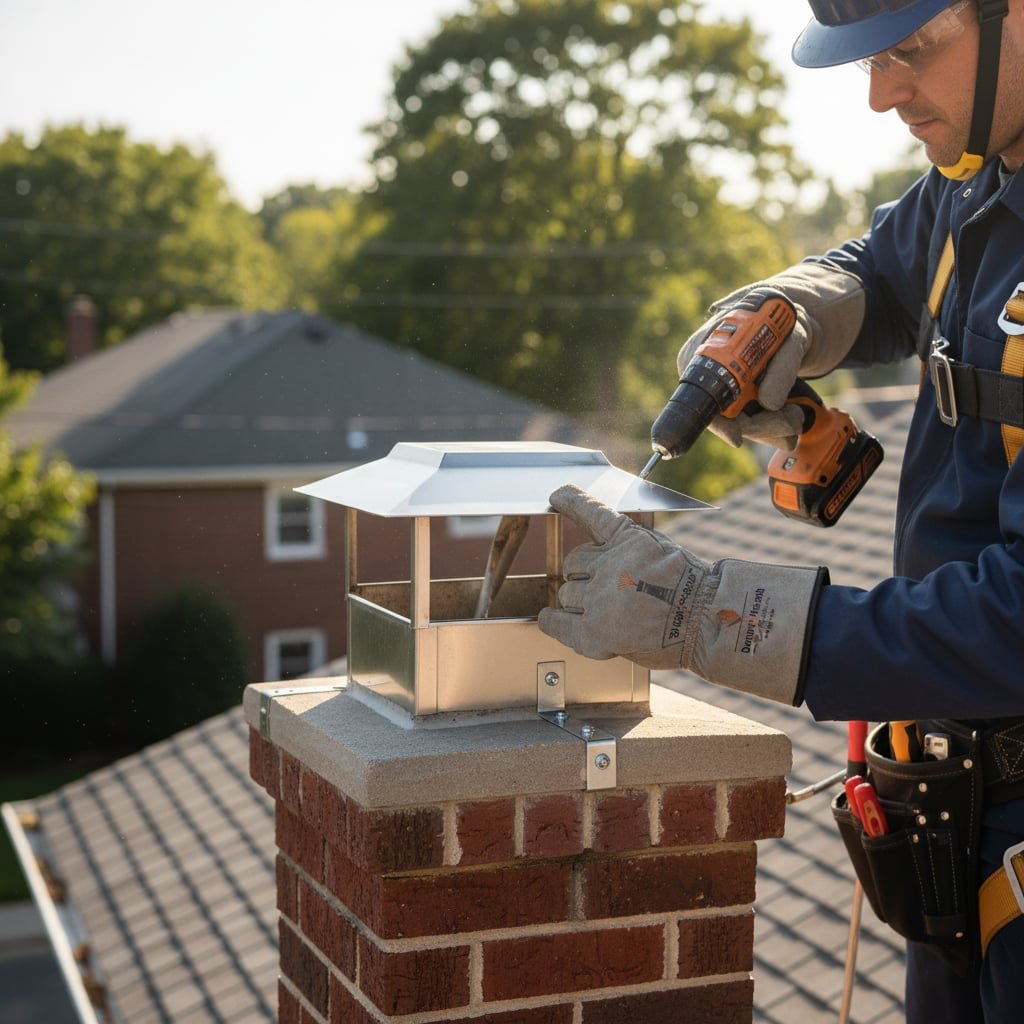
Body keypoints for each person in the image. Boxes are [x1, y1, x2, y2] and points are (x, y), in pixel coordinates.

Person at [537, 1, 1024, 1020]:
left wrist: (707, 613)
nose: (881, 93)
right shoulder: (982, 176)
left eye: (909, 52)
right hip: (955, 817)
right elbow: (880, 273)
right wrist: (783, 313)